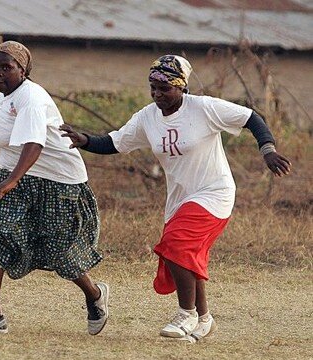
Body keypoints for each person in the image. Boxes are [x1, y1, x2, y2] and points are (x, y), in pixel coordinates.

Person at [60, 55, 291, 342]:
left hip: (214, 192)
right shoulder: (148, 117)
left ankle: (186, 313)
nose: (157, 94)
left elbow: (250, 118)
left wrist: (267, 149)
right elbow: (116, 142)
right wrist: (85, 140)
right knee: (185, 255)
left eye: (165, 87)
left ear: (181, 86)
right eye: (153, 88)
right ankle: (205, 319)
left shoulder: (204, 108)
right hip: (180, 198)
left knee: (177, 244)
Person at [0, 41, 109, 335]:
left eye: (6, 67)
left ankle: (94, 295)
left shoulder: (32, 98)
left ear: (22, 70)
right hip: (18, 178)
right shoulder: (3, 100)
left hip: (58, 184)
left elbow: (34, 142)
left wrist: (12, 179)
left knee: (59, 253)